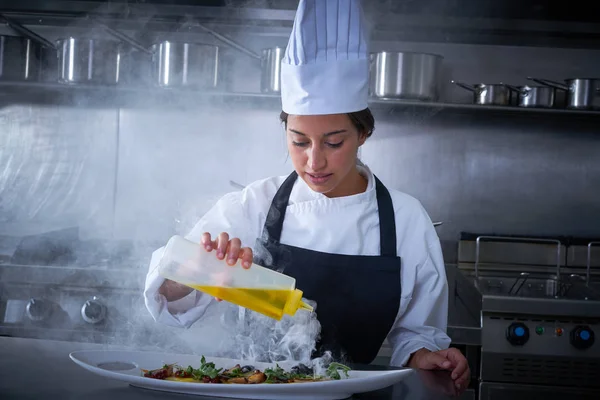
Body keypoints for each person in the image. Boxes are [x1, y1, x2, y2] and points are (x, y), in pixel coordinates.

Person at [143, 0, 470, 393]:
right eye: (298, 141)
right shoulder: (255, 206)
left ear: (363, 134)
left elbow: (416, 336)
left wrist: (425, 355)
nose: (314, 161)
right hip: (250, 390)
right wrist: (200, 271)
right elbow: (169, 290)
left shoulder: (406, 219)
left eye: (334, 142)